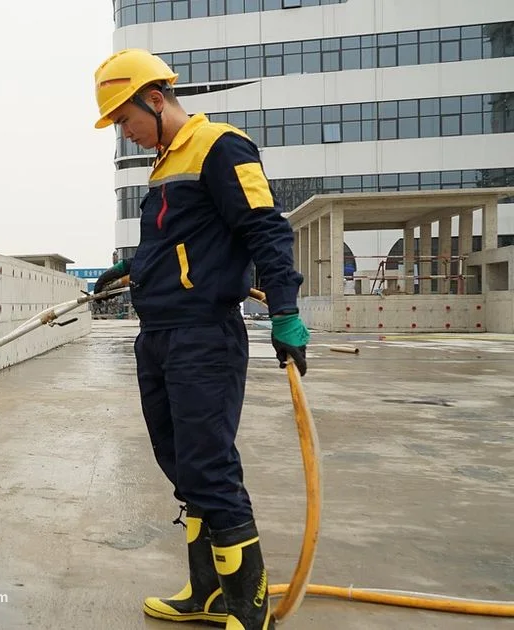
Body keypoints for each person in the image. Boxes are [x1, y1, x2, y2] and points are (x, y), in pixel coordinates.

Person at [89, 49, 310, 630]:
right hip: (157, 334)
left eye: (125, 119)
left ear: (155, 99)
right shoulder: (163, 166)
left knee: (210, 466)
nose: (124, 133)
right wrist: (133, 267)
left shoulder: (222, 146)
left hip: (203, 336)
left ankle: (249, 606)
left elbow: (265, 227)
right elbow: (181, 242)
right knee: (181, 465)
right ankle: (208, 593)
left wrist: (285, 309)